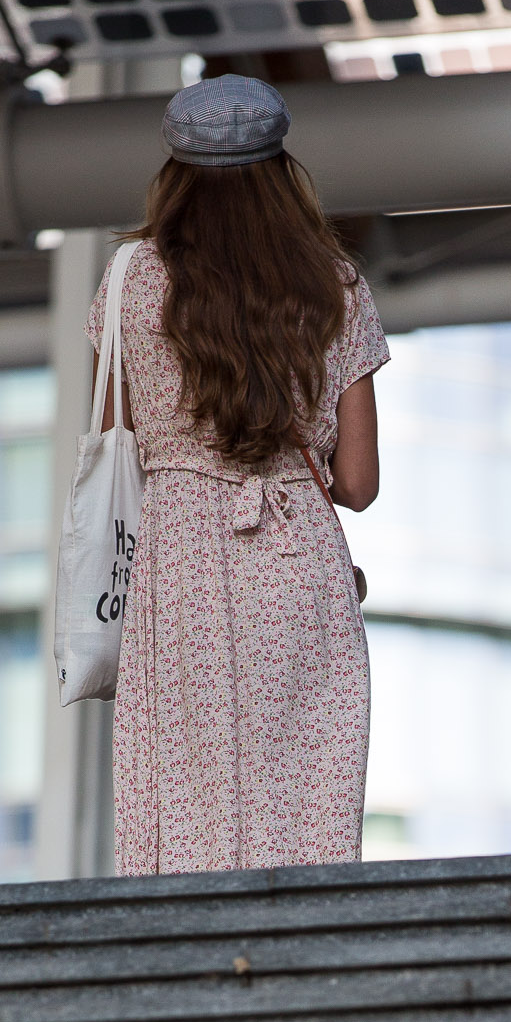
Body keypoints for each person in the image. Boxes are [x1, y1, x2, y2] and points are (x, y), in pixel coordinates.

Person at [85, 73, 386, 876]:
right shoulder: (337, 287)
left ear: (174, 175)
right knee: (304, 810)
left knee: (187, 798)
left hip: (177, 567)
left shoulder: (130, 283)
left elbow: (115, 437)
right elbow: (356, 484)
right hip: (299, 565)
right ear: (281, 174)